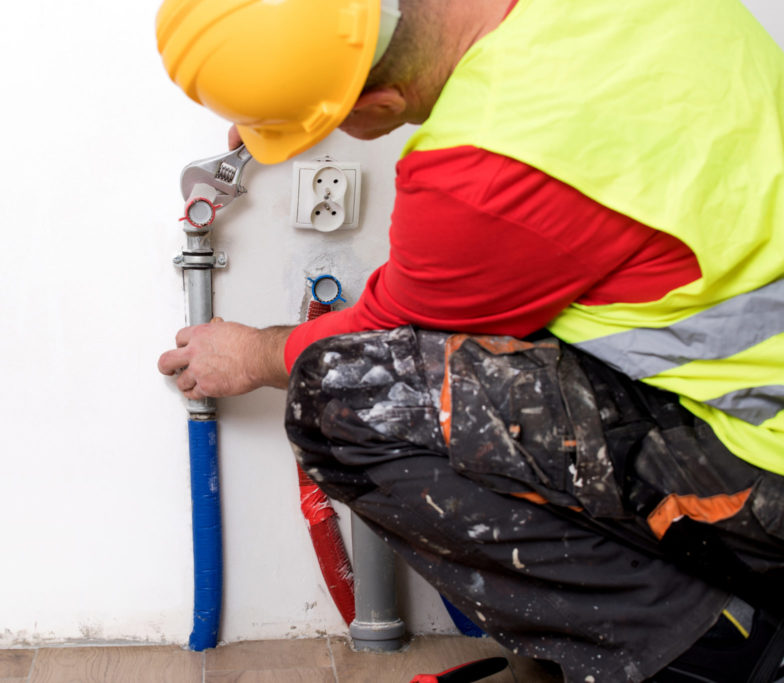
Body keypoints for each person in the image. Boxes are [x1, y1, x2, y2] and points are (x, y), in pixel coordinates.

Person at [155, 0, 784, 680]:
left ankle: (719, 651)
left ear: (380, 102)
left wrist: (250, 353)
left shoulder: (485, 159)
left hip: (765, 468)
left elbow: (387, 333)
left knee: (343, 396)